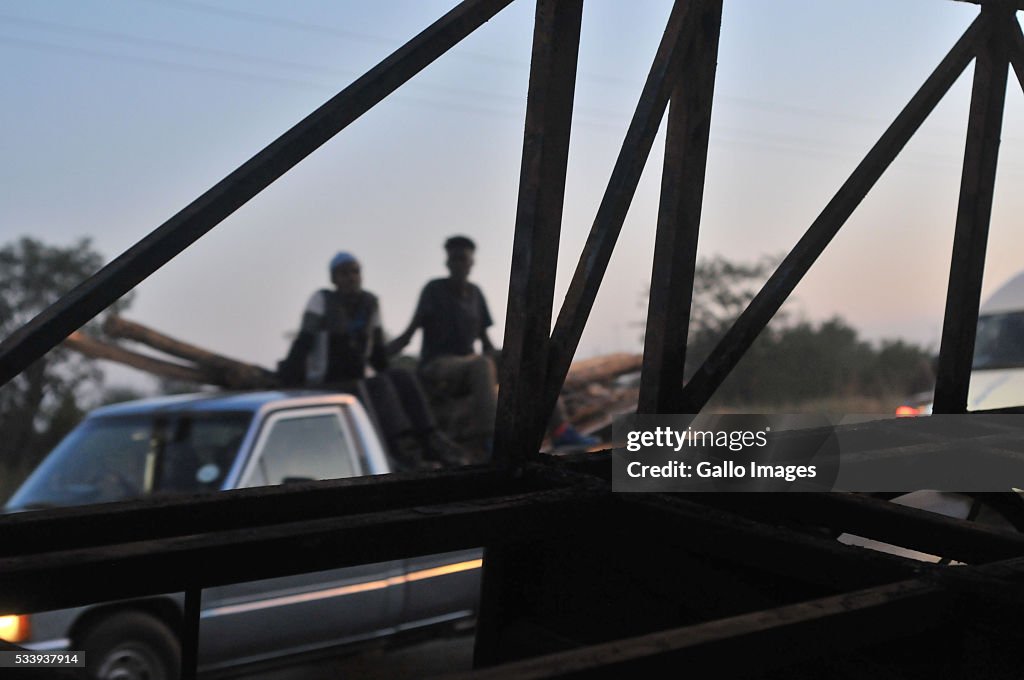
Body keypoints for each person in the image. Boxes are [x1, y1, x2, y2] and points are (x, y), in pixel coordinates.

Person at [388, 236, 596, 456]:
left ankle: (561, 431)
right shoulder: (433, 290)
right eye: (454, 259)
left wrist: (510, 362)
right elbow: (409, 334)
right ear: (447, 262)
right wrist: (380, 356)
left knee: (525, 354)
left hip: (469, 363)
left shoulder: (475, 294)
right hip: (437, 366)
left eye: (463, 259)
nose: (458, 264)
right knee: (481, 363)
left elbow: (485, 341)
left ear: (471, 263)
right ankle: (491, 439)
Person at [279, 252, 466, 469]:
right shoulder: (322, 300)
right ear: (333, 278)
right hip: (328, 380)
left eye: (355, 272)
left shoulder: (370, 303)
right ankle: (401, 449)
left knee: (401, 376)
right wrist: (288, 378)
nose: (351, 277)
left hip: (358, 377)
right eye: (344, 273)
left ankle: (430, 437)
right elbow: (303, 342)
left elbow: (377, 353)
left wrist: (392, 376)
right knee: (378, 385)